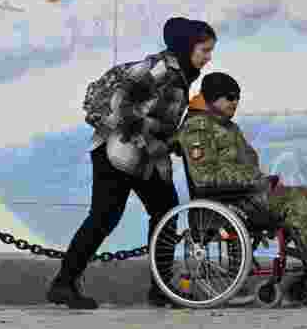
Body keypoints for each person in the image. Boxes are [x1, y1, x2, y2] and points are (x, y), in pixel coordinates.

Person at [47, 17, 217, 310]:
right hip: (116, 151)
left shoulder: (182, 75)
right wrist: (144, 135)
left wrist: (168, 140)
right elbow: (120, 99)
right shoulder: (160, 69)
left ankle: (160, 288)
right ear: (187, 47)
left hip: (140, 154)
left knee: (163, 210)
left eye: (210, 50)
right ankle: (64, 284)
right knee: (106, 216)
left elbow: (156, 115)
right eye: (204, 49)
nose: (208, 56)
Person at [174, 72, 307, 294]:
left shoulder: (227, 127)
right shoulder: (198, 127)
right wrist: (256, 181)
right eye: (229, 97)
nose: (235, 102)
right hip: (226, 205)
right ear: (212, 98)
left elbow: (242, 166)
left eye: (237, 97)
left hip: (244, 197)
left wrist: (260, 181)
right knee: (299, 201)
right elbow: (205, 177)